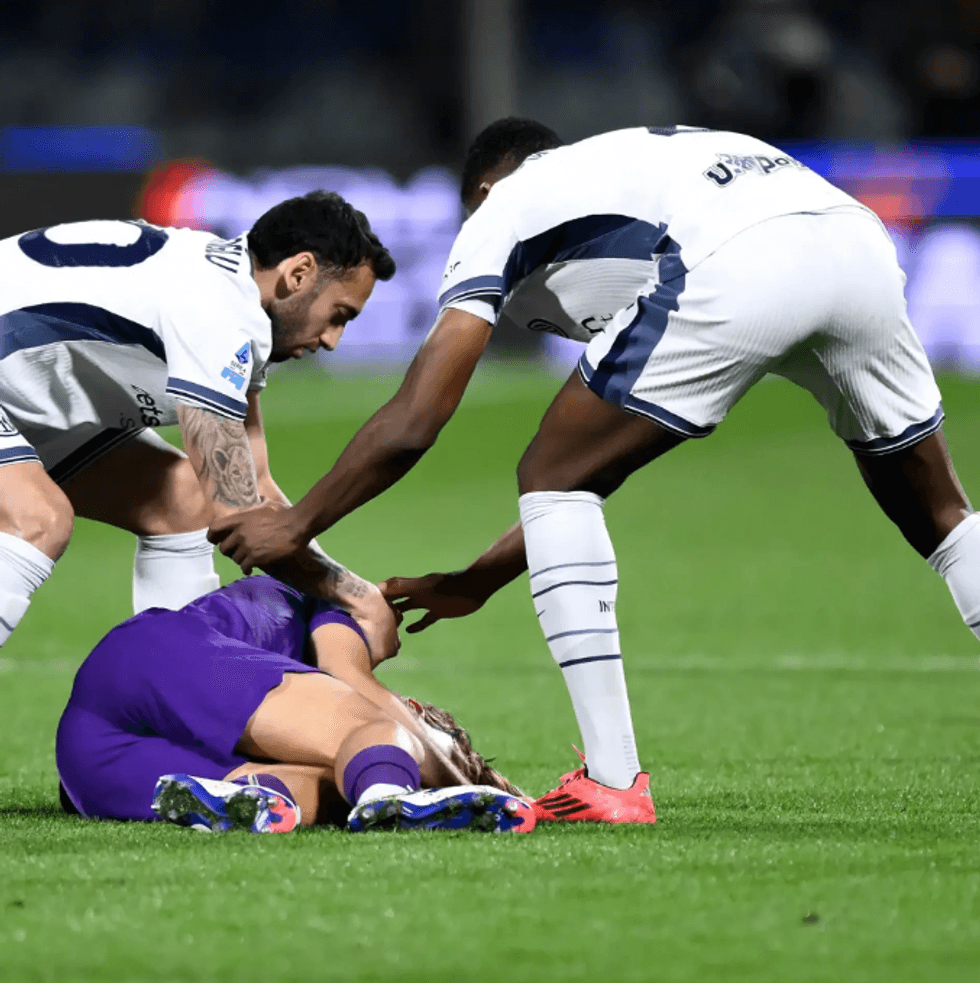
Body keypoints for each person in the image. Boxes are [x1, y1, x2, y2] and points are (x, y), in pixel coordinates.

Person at [208, 120, 980, 825]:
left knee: (551, 472)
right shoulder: (634, 174)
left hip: (740, 256)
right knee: (942, 516)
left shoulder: (505, 207)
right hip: (858, 240)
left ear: (485, 191)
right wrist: (479, 579)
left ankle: (612, 780)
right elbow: (600, 468)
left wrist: (294, 525)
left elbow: (417, 418)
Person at [0, 191, 398, 659]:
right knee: (36, 519)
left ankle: (175, 692)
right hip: (17, 392)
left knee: (182, 500)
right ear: (299, 273)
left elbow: (258, 493)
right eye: (338, 315)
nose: (332, 340)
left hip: (21, 395)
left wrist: (348, 590)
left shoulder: (230, 295)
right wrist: (356, 597)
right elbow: (240, 516)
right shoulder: (218, 314)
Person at [56, 574, 534, 834]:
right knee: (371, 730)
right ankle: (389, 802)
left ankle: (238, 799)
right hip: (159, 656)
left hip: (87, 760)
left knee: (314, 794)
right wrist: (470, 786)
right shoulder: (336, 601)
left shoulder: (284, 717)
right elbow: (352, 679)